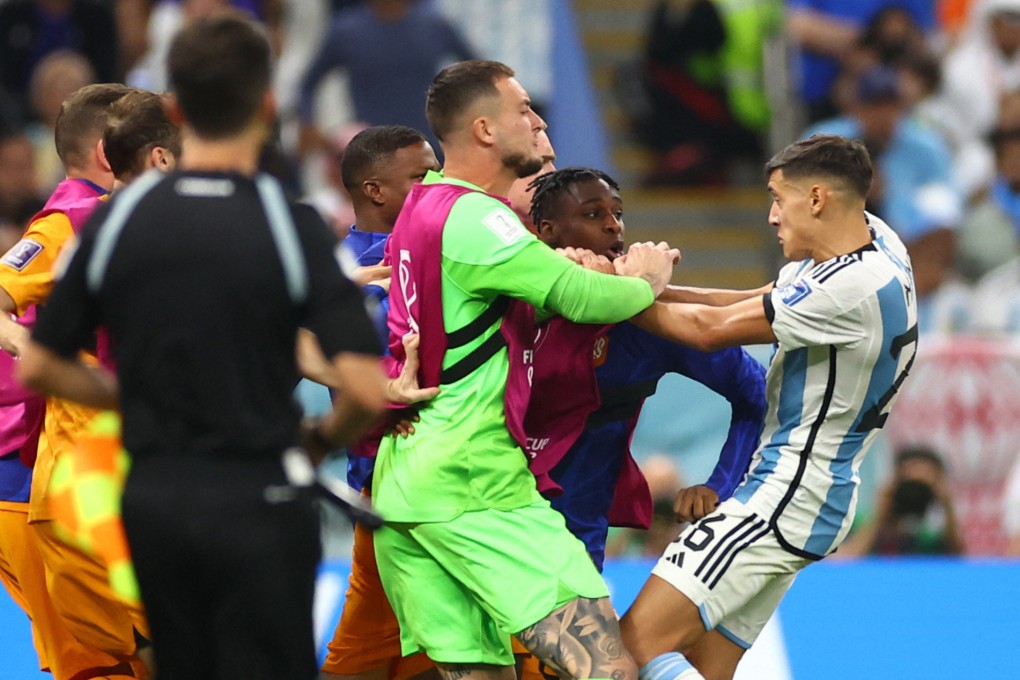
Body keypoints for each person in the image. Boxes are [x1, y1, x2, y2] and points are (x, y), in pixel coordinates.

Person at [15, 15, 391, 680]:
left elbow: (42, 362)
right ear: (267, 106)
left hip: (154, 499)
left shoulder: (113, 221)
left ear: (179, 108)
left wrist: (133, 400)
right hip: (264, 494)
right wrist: (316, 441)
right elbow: (363, 387)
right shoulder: (289, 221)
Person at [374, 60, 678, 680]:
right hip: (473, 485)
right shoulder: (476, 218)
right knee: (606, 668)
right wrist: (645, 278)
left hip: (407, 487)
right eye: (523, 111)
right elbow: (585, 297)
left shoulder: (421, 207)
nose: (537, 121)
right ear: (485, 129)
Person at [616, 134, 918, 680]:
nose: (772, 215)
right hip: (814, 493)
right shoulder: (876, 241)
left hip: (782, 495)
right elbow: (741, 302)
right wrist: (653, 290)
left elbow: (710, 332)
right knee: (697, 664)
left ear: (819, 199)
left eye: (780, 198)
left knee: (633, 645)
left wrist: (621, 293)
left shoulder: (847, 288)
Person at [524, 166, 767, 571]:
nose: (612, 227)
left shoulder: (650, 324)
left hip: (574, 546)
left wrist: (720, 484)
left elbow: (756, 393)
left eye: (617, 214)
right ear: (547, 231)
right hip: (477, 521)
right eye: (591, 215)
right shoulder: (505, 299)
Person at [0, 81, 156, 679]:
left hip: (81, 470)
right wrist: (34, 348)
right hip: (28, 474)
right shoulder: (70, 218)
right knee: (92, 663)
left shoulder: (121, 217)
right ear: (105, 147)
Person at [318, 123, 440, 680]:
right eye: (423, 176)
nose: (438, 184)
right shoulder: (334, 275)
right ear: (374, 191)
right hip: (383, 482)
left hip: (446, 481)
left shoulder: (443, 243)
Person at [298, 0, 475, 155]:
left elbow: (479, 74)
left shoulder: (434, 26)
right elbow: (307, 85)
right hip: (374, 154)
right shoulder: (347, 31)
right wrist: (309, 123)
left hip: (431, 150)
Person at [838, 446, 964, 557]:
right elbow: (844, 564)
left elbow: (957, 565)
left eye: (922, 488)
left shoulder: (929, 537)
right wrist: (880, 515)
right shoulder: (859, 521)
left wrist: (948, 507)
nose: (915, 495)